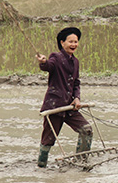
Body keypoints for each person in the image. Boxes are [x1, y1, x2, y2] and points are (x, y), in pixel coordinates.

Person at [35, 27, 93, 168]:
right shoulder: (56, 57)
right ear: (62, 43)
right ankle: (41, 165)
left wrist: (77, 98)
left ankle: (81, 161)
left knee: (86, 129)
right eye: (70, 41)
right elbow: (49, 66)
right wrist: (43, 62)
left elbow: (76, 83)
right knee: (48, 140)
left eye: (76, 41)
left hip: (69, 106)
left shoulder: (76, 61)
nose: (74, 44)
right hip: (54, 105)